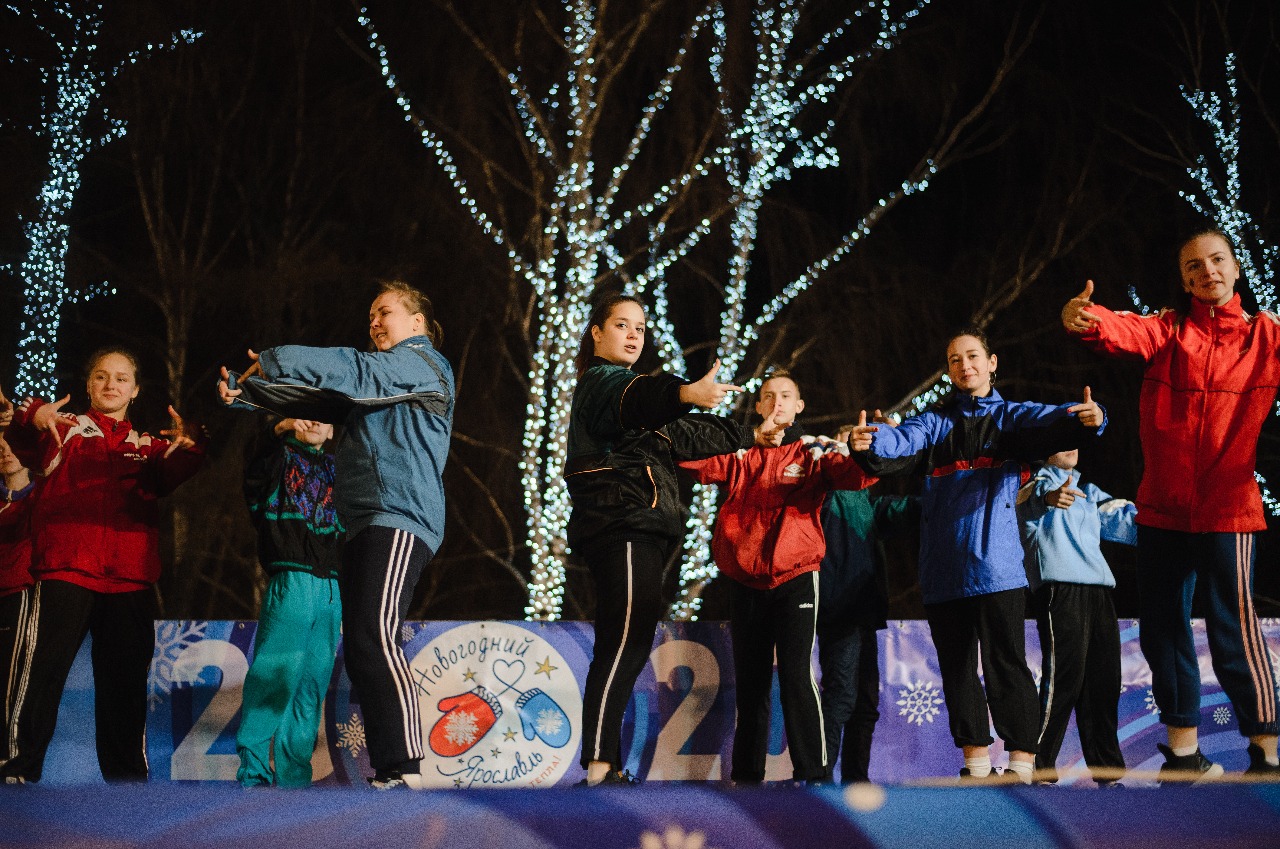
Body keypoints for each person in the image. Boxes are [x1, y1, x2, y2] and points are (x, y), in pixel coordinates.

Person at [1062, 228, 1280, 781]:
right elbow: (1122, 330)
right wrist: (1090, 320)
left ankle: (1267, 752)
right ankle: (1184, 753)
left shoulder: (1265, 337)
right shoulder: (1167, 329)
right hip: (1161, 509)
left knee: (1234, 628)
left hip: (1229, 509)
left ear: (1234, 269)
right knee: (1163, 628)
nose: (1206, 271)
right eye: (1193, 266)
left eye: (1216, 261)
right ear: (1184, 278)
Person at [219, 280, 453, 790]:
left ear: (416, 323)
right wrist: (252, 390)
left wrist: (277, 358)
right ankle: (390, 771)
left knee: (375, 633)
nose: (374, 322)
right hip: (365, 522)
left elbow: (357, 370)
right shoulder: (381, 382)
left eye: (384, 312)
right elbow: (321, 399)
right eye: (369, 314)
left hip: (399, 515)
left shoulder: (423, 364)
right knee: (366, 642)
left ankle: (406, 764)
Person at [850, 329, 1105, 784]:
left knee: (1006, 666)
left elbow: (1058, 417)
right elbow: (898, 441)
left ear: (992, 363)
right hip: (943, 573)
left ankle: (1022, 767)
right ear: (949, 371)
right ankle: (977, 766)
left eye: (972, 356)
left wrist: (1092, 415)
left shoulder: (1010, 418)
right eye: (953, 360)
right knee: (957, 671)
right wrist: (871, 441)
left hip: (998, 570)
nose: (963, 365)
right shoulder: (935, 423)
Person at [566, 293, 764, 786]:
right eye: (621, 325)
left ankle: (602, 765)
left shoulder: (640, 414)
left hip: (636, 525)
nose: (633, 334)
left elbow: (689, 435)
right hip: (623, 523)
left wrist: (755, 434)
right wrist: (684, 393)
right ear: (597, 333)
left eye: (640, 327)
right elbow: (642, 397)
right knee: (624, 640)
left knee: (626, 639)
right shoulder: (602, 383)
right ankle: (598, 767)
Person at [0, 349, 205, 783]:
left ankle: (127, 785)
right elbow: (25, 442)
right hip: (65, 572)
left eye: (121, 378)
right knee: (43, 675)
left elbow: (177, 471)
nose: (110, 384)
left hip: (129, 581)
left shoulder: (147, 446)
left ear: (135, 389)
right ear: (89, 385)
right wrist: (33, 416)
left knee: (125, 689)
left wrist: (192, 443)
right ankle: (17, 771)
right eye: (100, 376)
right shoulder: (65, 431)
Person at [679, 371, 876, 785]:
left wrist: (866, 452)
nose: (777, 403)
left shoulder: (814, 451)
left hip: (797, 579)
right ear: (758, 407)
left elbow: (856, 477)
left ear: (800, 405)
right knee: (750, 685)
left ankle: (815, 777)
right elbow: (687, 461)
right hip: (745, 583)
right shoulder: (740, 455)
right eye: (768, 397)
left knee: (796, 678)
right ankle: (747, 780)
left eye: (786, 396)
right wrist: (746, 436)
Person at [235, 417, 343, 788]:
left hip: (332, 589)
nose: (314, 420)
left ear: (333, 431)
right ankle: (253, 773)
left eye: (322, 416)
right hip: (291, 580)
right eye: (304, 413)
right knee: (273, 678)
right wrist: (275, 430)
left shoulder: (339, 471)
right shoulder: (278, 458)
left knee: (311, 686)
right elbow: (252, 463)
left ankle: (294, 780)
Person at [1017, 449, 1135, 786]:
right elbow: (1025, 500)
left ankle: (1108, 773)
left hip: (1099, 590)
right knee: (1062, 680)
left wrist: (1164, 521)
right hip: (1060, 588)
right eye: (1063, 442)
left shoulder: (1090, 492)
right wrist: (1050, 496)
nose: (1072, 449)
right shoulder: (1032, 480)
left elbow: (1125, 519)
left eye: (1077, 442)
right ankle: (1037, 769)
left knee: (1103, 682)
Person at [817, 423, 919, 784]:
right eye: (855, 438)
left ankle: (856, 781)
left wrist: (951, 492)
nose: (863, 445)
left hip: (864, 610)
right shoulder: (823, 485)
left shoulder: (868, 500)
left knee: (865, 705)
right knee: (841, 698)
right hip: (837, 609)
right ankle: (821, 781)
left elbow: (908, 509)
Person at [0, 433, 36, 767]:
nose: (5, 450)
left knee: (9, 686)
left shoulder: (41, 495)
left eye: (11, 443)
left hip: (17, 594)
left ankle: (8, 760)